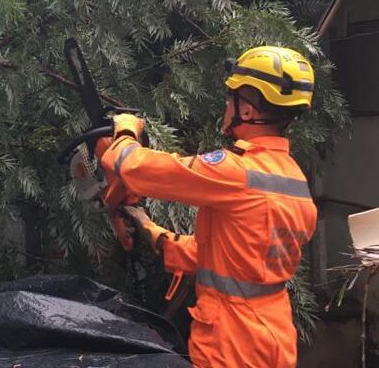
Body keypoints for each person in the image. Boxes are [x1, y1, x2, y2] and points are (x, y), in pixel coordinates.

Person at [97, 46, 318, 368]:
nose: (227, 106)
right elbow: (241, 259)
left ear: (247, 110)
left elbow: (137, 169)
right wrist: (156, 235)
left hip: (232, 340)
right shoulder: (292, 178)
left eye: (231, 98)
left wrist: (126, 130)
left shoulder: (237, 171)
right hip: (274, 335)